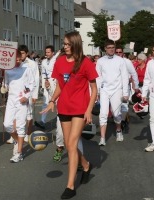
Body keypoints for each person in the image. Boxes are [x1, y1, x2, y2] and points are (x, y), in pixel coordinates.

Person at [41, 32, 98, 199]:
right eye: (64, 44)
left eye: (67, 44)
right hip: (64, 108)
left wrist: (88, 110)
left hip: (80, 109)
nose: (64, 46)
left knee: (72, 144)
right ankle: (86, 165)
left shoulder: (86, 63)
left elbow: (94, 90)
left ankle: (70, 186)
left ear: (75, 44)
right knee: (68, 145)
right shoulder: (59, 62)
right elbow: (60, 84)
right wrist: (52, 100)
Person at [3, 51, 36, 163]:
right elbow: (6, 85)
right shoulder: (7, 69)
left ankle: (19, 153)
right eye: (15, 59)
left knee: (21, 126)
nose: (17, 61)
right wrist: (4, 86)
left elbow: (32, 84)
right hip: (11, 100)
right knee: (7, 124)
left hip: (22, 100)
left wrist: (26, 96)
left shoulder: (26, 68)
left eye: (18, 59)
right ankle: (17, 141)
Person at [96, 40, 129, 146]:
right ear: (105, 48)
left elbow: (124, 76)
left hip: (117, 90)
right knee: (103, 114)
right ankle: (102, 138)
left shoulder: (120, 60)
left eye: (113, 47)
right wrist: (97, 92)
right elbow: (98, 77)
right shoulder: (100, 61)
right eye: (109, 47)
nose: (111, 49)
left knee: (116, 114)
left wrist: (125, 93)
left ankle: (119, 131)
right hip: (104, 90)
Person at [35, 46, 60, 129]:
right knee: (45, 102)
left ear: (53, 52)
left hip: (55, 83)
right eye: (46, 52)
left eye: (49, 52)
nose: (47, 54)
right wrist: (42, 85)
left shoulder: (56, 60)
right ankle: (42, 121)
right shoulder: (44, 61)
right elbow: (42, 73)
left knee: (57, 102)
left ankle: (60, 121)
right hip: (46, 83)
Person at [115, 46, 139, 130]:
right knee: (115, 105)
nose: (118, 54)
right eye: (116, 52)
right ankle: (118, 118)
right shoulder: (111, 61)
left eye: (120, 52)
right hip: (115, 87)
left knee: (124, 104)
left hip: (125, 86)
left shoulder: (127, 62)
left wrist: (136, 86)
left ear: (123, 53)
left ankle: (122, 121)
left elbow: (134, 73)